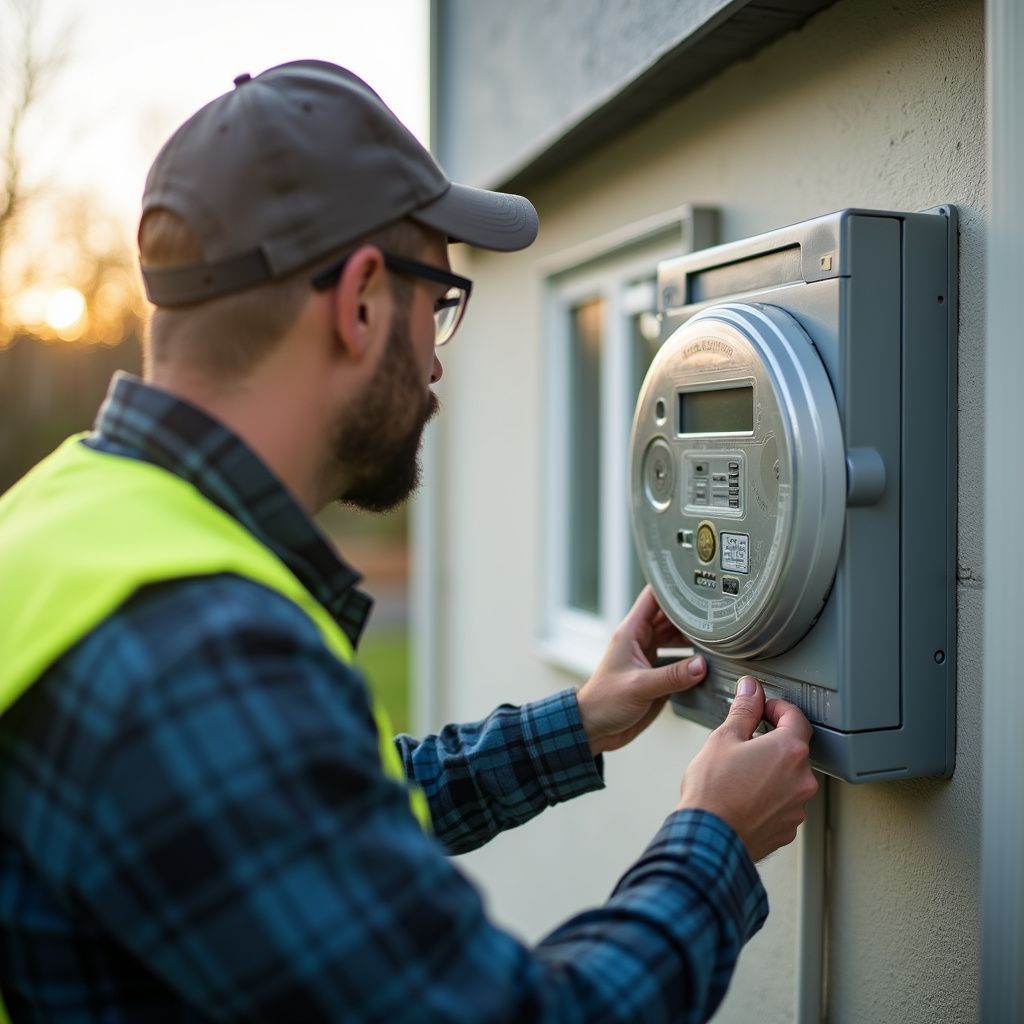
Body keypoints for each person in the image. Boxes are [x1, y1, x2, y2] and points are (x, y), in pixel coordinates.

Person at [0, 61, 817, 1023]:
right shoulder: (200, 650)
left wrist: (579, 723)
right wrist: (713, 842)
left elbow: (309, 824)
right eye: (437, 303)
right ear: (358, 303)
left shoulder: (62, 521)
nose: (435, 359)